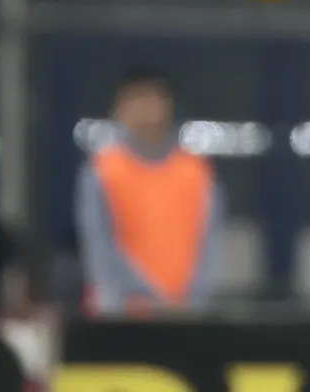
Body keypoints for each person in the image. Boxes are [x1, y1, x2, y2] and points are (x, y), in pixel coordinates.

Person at [75, 67, 224, 317]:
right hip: (121, 314)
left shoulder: (196, 172)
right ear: (120, 108)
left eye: (152, 98)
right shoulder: (102, 171)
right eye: (136, 99)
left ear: (168, 104)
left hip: (186, 315)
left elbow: (209, 244)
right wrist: (138, 299)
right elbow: (99, 249)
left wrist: (193, 304)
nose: (145, 109)